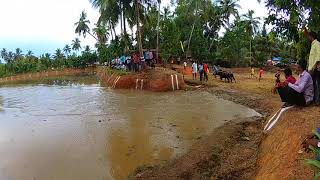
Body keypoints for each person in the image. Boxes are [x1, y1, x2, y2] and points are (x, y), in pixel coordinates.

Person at [304, 28, 320, 105]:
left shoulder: (317, 44)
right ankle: (313, 100)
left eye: (309, 36)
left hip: (314, 68)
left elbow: (318, 56)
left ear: (311, 36)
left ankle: (316, 101)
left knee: (316, 84)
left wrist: (315, 66)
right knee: (312, 84)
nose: (308, 38)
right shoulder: (313, 45)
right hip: (311, 68)